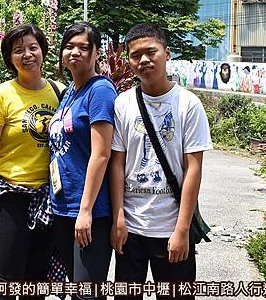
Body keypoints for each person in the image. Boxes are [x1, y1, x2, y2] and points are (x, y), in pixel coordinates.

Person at [110, 23, 212, 300]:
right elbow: (117, 164)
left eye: (151, 52)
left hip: (171, 228)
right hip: (131, 229)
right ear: (128, 60)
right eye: (135, 55)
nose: (143, 60)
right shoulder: (122, 104)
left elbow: (194, 169)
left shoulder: (188, 104)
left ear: (166, 54)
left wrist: (182, 230)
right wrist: (118, 217)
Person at [0, 23, 65, 300]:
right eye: (19, 50)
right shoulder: (1, 96)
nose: (27, 54)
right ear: (9, 58)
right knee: (8, 279)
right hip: (11, 196)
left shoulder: (60, 93)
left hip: (48, 198)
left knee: (36, 279)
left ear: (43, 51)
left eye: (33, 47)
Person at [48, 22, 117, 297]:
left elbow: (101, 154)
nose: (75, 52)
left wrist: (85, 211)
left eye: (83, 47)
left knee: (86, 292)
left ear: (97, 52)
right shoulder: (68, 93)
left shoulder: (99, 91)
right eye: (69, 46)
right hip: (63, 208)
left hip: (89, 211)